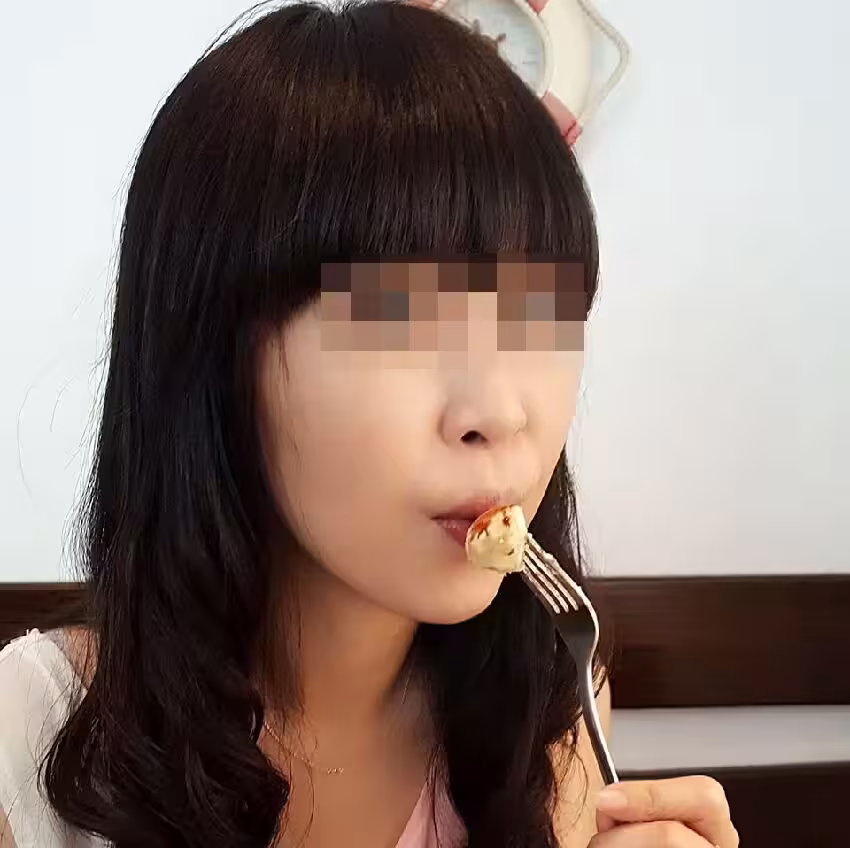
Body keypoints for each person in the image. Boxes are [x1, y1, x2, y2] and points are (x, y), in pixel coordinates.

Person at [0, 1, 738, 846]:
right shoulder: (34, 738)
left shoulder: (552, 711)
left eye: (543, 323)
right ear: (214, 355)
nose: (500, 414)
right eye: (404, 322)